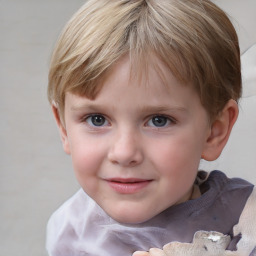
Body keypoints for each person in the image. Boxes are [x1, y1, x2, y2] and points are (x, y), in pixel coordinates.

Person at [46, 0, 256, 255]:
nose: (124, 153)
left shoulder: (245, 221)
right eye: (97, 119)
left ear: (214, 131)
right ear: (64, 128)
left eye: (159, 120)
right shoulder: (68, 233)